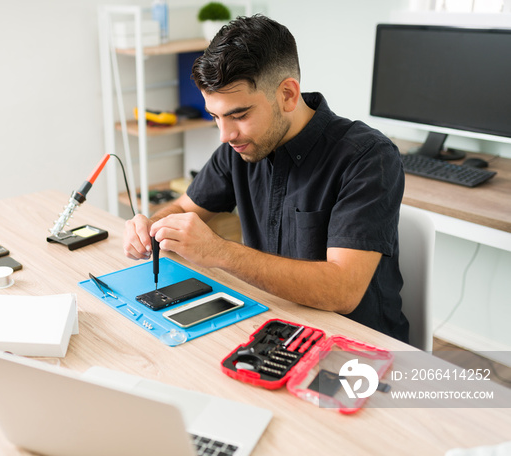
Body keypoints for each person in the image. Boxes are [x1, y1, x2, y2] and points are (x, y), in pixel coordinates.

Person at [123, 15, 408, 342]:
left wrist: (220, 252)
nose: (224, 134)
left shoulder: (368, 156)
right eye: (215, 116)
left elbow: (342, 291)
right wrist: (152, 225)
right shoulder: (239, 146)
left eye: (239, 115)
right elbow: (183, 208)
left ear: (288, 94)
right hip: (272, 326)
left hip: (359, 347)